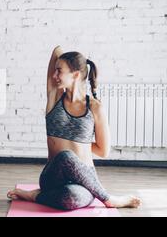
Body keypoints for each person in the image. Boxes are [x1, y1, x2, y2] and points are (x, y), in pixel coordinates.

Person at [7, 46, 141, 210]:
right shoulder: (55, 97)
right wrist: (70, 61)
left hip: (84, 179)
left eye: (59, 71)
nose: (55, 75)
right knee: (65, 156)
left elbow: (103, 151)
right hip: (53, 176)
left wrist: (78, 145)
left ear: (76, 74)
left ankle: (34, 195)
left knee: (71, 198)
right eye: (55, 71)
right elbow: (57, 50)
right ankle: (109, 199)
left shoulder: (95, 107)